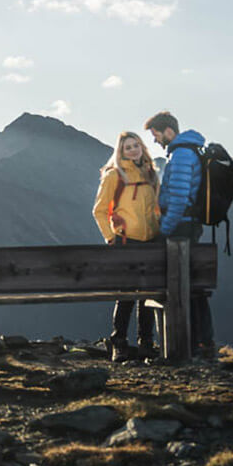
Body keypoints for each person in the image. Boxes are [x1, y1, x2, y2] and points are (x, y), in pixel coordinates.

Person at [148, 110, 215, 357]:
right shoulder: (188, 152)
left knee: (187, 286)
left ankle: (200, 343)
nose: (155, 141)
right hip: (189, 225)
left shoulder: (182, 155)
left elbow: (178, 198)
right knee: (192, 284)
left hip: (181, 228)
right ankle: (200, 342)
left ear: (168, 131)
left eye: (156, 135)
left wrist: (164, 231)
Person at [92, 131, 160, 362]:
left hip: (151, 240)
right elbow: (99, 210)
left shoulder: (150, 174)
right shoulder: (114, 175)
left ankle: (146, 343)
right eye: (127, 147)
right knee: (127, 295)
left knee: (147, 295)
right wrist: (111, 238)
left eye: (135, 145)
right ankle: (118, 342)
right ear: (120, 151)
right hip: (126, 241)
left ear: (142, 147)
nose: (132, 150)